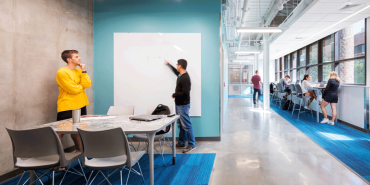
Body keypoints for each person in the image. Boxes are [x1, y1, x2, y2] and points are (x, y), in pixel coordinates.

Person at [56, 50, 91, 153]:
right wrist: (81, 86)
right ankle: (57, 161)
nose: (79, 58)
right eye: (76, 57)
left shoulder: (80, 71)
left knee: (78, 133)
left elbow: (87, 84)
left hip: (81, 105)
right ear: (69, 59)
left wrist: (84, 71)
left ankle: (79, 155)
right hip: (67, 106)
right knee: (60, 133)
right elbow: (73, 89)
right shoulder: (62, 72)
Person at [164, 59, 196, 153]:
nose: (176, 66)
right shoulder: (180, 75)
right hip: (179, 104)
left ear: (180, 66)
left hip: (183, 105)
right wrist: (168, 64)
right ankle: (182, 143)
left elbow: (185, 93)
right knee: (181, 125)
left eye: (177, 64)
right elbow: (175, 71)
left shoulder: (185, 78)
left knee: (186, 125)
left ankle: (191, 144)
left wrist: (175, 94)